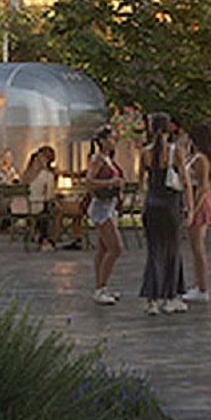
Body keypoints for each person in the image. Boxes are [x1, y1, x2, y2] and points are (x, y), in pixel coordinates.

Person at [137, 113, 188, 315]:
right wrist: (189, 207)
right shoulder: (175, 152)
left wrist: (141, 202)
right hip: (170, 205)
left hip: (152, 205)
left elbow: (141, 182)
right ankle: (170, 296)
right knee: (172, 250)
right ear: (169, 129)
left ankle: (152, 299)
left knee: (154, 251)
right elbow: (184, 182)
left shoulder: (145, 153)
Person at [85, 128, 124, 304]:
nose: (113, 141)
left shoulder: (109, 159)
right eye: (110, 138)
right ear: (102, 141)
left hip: (109, 206)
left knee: (103, 248)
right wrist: (109, 182)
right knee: (115, 248)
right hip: (101, 207)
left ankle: (101, 286)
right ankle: (100, 287)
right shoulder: (98, 159)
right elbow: (89, 181)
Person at [181, 121, 211, 304]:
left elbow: (203, 187)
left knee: (197, 247)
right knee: (194, 247)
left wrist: (193, 209)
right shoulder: (194, 157)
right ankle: (198, 284)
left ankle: (202, 287)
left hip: (198, 201)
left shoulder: (201, 159)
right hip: (193, 199)